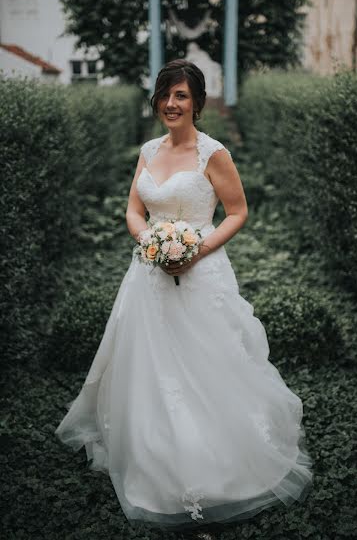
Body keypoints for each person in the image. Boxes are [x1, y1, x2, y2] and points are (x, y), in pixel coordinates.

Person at [55, 59, 313, 534]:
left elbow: (236, 212)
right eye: (164, 95)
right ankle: (155, 450)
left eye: (181, 96)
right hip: (149, 274)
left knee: (207, 362)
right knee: (150, 366)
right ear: (156, 100)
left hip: (202, 272)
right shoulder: (149, 149)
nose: (171, 104)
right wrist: (148, 243)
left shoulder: (212, 154)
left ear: (197, 103)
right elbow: (134, 208)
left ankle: (217, 457)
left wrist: (195, 250)